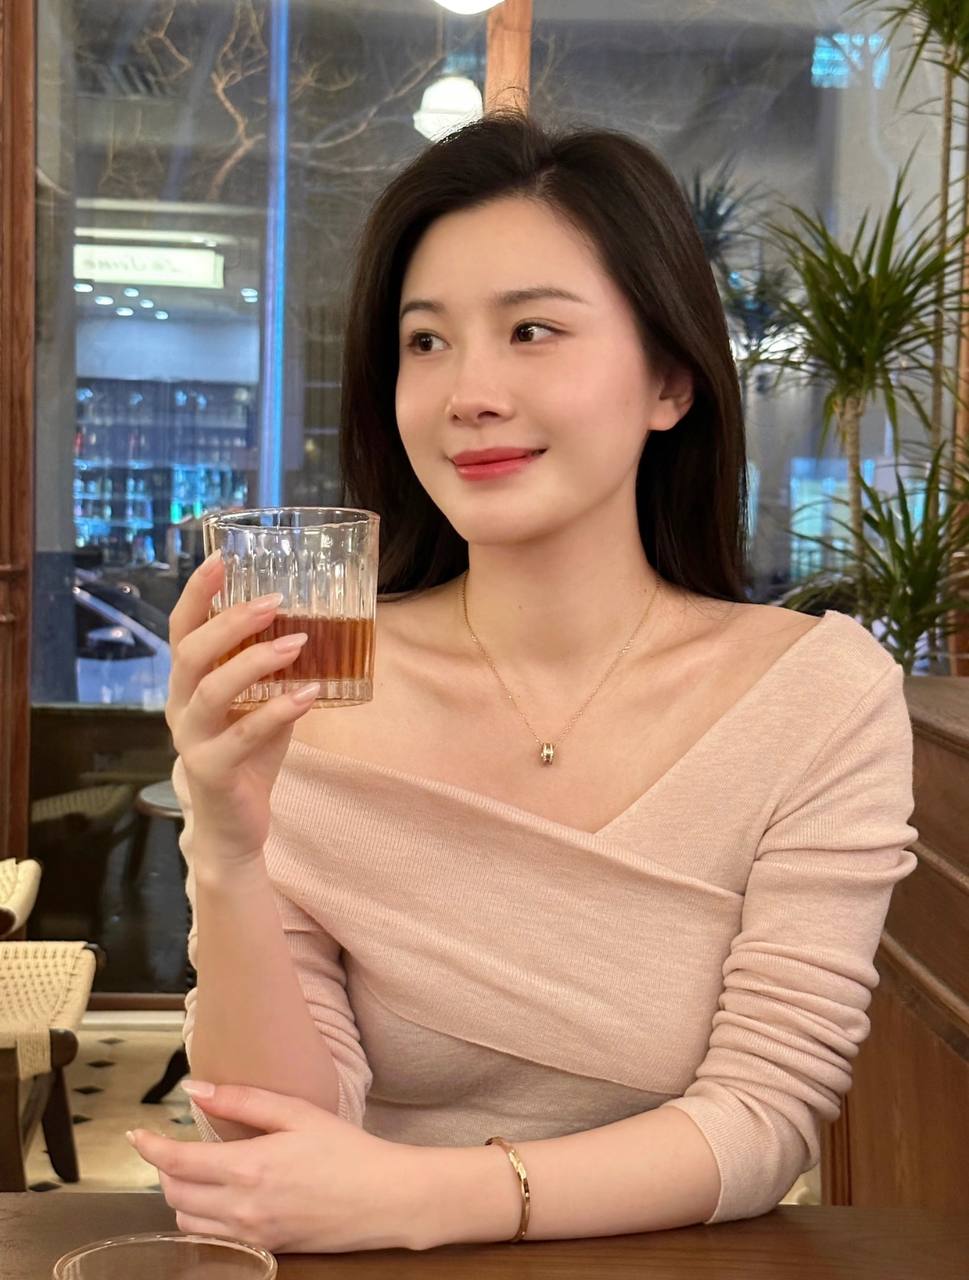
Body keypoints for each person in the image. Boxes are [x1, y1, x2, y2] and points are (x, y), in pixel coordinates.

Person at [127, 113, 919, 1254]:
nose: (469, 392)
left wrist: (421, 1196)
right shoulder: (315, 684)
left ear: (670, 381)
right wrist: (228, 847)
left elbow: (766, 1117)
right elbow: (269, 1143)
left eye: (532, 330)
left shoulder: (815, 695)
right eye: (426, 341)